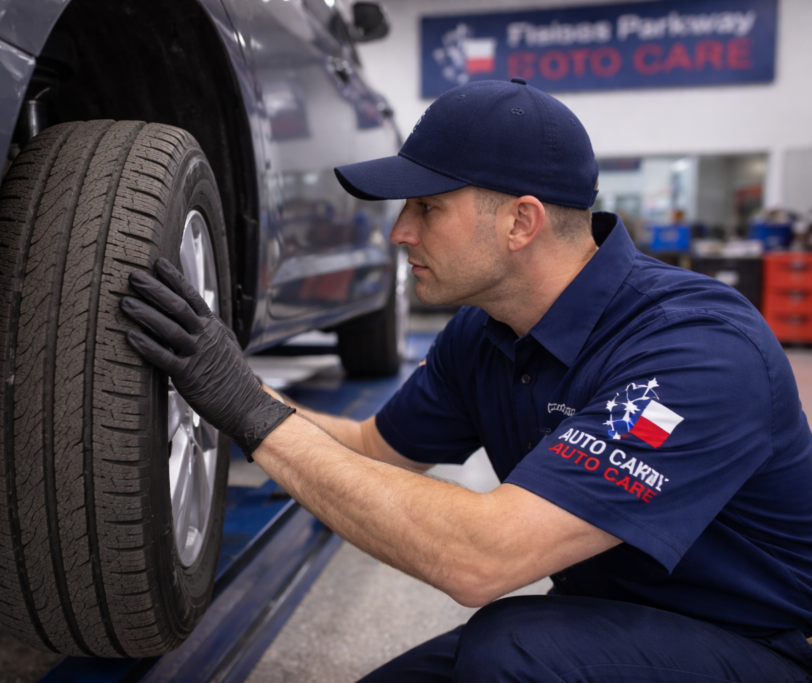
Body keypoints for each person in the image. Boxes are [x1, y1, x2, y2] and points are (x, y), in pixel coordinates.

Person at [119, 79, 812, 681]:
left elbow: (481, 559)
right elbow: (368, 447)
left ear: (522, 221)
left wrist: (246, 410)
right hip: (615, 620)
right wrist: (224, 387)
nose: (399, 232)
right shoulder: (483, 333)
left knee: (510, 652)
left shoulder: (696, 349)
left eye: (427, 207)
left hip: (766, 645)